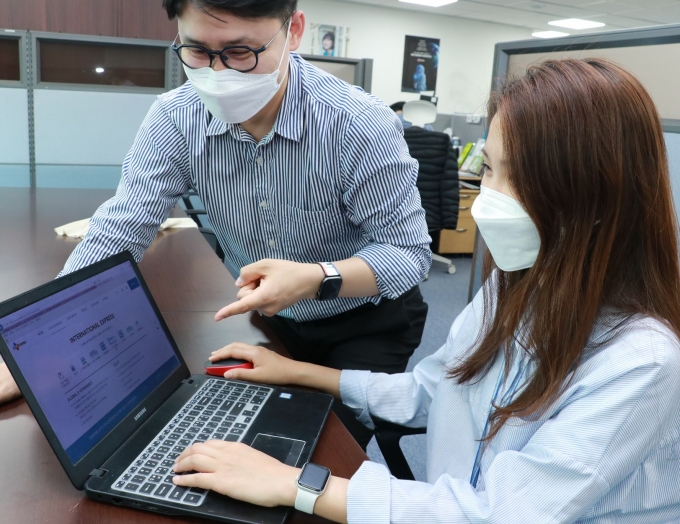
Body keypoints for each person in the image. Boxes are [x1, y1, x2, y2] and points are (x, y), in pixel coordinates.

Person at [168, 58, 680, 522]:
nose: (487, 200)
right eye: (490, 171)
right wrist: (300, 372)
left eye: (516, 176)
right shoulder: (518, 286)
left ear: (596, 195)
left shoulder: (640, 360)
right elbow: (433, 391)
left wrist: (294, 485)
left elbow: (499, 515)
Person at [0, 0, 432, 450]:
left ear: (294, 31)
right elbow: (121, 226)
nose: (217, 73)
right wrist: (41, 348)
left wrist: (316, 278)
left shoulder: (357, 123)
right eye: (197, 51)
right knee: (224, 442)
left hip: (366, 320)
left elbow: (408, 255)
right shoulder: (176, 117)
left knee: (306, 454)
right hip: (273, 318)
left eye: (241, 51)